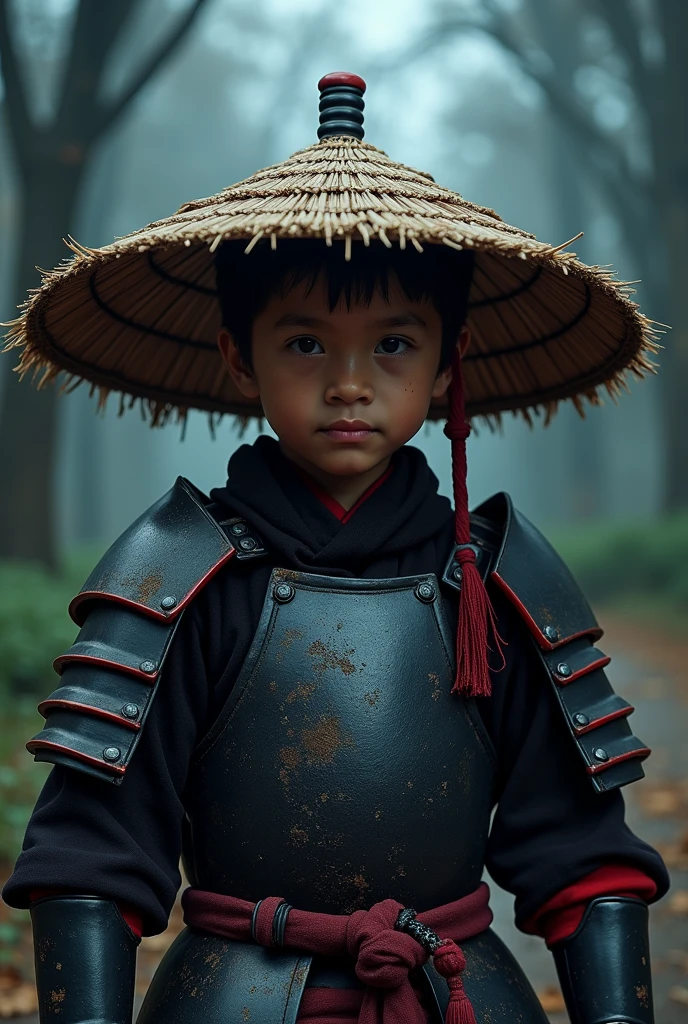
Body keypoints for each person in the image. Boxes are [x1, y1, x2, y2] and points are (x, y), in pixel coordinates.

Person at [2, 73, 668, 1024]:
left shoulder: (492, 578)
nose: (350, 383)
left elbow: (585, 858)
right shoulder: (182, 573)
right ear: (241, 356)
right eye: (307, 344)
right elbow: (88, 862)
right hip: (225, 1000)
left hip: (453, 1000)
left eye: (393, 343)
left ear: (448, 362)